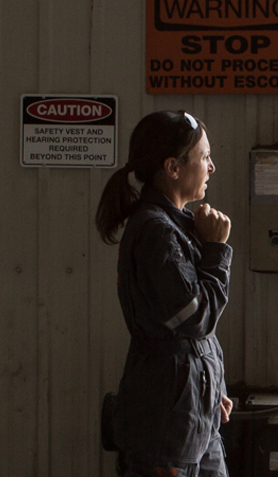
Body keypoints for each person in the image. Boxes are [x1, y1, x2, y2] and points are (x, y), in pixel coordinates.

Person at [96, 110, 234, 477]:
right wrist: (217, 251)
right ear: (173, 168)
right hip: (167, 427)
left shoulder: (179, 226)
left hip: (193, 415)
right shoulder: (157, 233)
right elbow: (196, 318)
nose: (212, 167)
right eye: (205, 157)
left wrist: (213, 386)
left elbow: (195, 336)